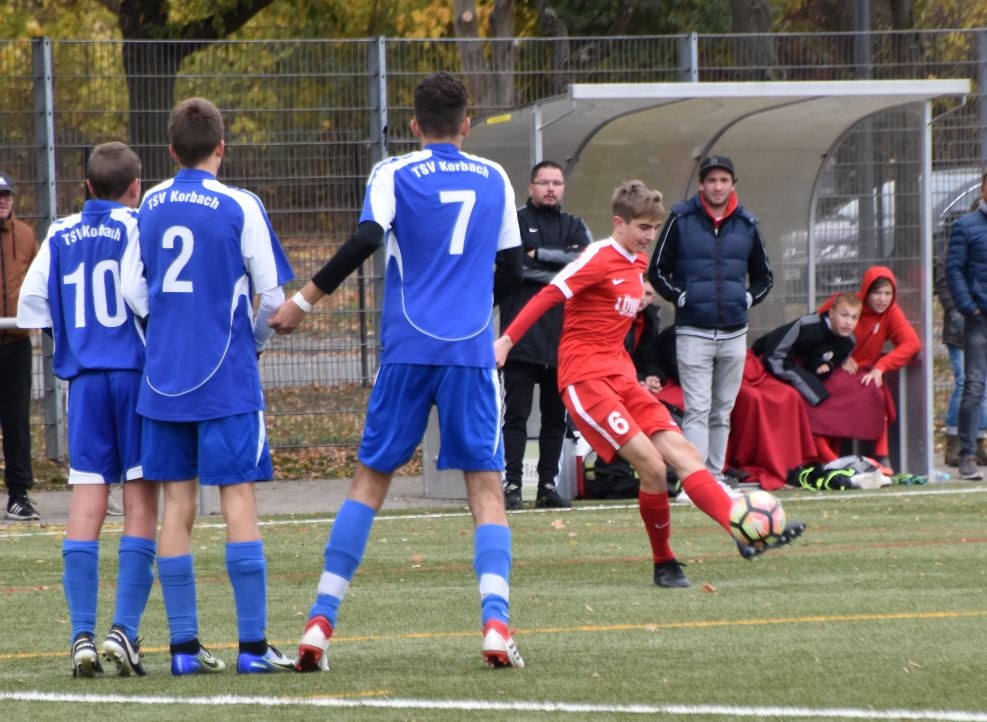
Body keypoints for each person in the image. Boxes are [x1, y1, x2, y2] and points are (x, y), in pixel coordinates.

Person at [268, 72, 526, 670]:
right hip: (467, 351)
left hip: (408, 346)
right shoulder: (494, 176)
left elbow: (366, 238)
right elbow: (513, 270)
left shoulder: (394, 172)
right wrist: (471, 307)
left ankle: (319, 625)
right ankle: (495, 625)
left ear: (414, 125)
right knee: (486, 488)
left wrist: (303, 301)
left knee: (369, 481)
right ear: (466, 124)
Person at [495, 180, 805, 590]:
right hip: (586, 381)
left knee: (685, 454)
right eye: (643, 227)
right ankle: (665, 561)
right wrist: (506, 341)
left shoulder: (638, 264)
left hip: (622, 378)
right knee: (653, 467)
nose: (650, 235)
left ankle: (739, 529)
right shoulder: (597, 258)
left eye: (654, 228)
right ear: (618, 223)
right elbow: (547, 296)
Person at [121, 97, 295, 675]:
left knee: (178, 506)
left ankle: (183, 650)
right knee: (237, 498)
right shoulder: (240, 204)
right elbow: (272, 299)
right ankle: (253, 648)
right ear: (222, 146)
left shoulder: (149, 204)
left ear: (172, 151)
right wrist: (254, 343)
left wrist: (164, 332)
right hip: (226, 377)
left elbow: (132, 289)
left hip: (164, 378)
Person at [16, 142, 159, 677]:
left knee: (86, 500)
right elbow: (144, 298)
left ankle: (81, 635)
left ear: (86, 187)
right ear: (135, 188)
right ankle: (123, 631)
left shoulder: (60, 231)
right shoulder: (137, 225)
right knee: (140, 500)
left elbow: (30, 307)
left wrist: (74, 337)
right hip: (135, 376)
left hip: (85, 384)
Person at [648, 155, 773, 483]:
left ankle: (714, 478)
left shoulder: (747, 224)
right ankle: (695, 480)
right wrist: (680, 296)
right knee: (697, 409)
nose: (717, 186)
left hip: (734, 333)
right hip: (693, 331)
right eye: (712, 180)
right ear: (701, 184)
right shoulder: (680, 219)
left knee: (722, 411)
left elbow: (765, 277)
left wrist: (747, 298)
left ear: (733, 185)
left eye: (723, 180)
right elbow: (657, 270)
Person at [499, 160, 592, 510]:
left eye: (557, 183)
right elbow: (517, 268)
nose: (551, 189)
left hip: (562, 341)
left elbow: (585, 265)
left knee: (555, 419)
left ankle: (547, 487)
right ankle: (511, 486)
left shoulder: (575, 225)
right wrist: (561, 270)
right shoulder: (515, 222)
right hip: (521, 340)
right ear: (531, 187)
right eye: (544, 183)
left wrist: (540, 256)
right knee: (516, 416)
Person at [810, 266, 921, 472]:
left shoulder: (891, 312)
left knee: (875, 391)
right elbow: (813, 329)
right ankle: (828, 458)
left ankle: (882, 456)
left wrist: (882, 366)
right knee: (827, 400)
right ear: (866, 291)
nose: (882, 299)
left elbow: (912, 343)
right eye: (877, 292)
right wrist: (839, 356)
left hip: (862, 373)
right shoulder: (846, 303)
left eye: (888, 293)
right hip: (832, 369)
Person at [0, 171, 40, 521]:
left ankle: (19, 494)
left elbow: (36, 280)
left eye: (7, 195)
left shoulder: (25, 235)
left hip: (15, 342)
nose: (3, 201)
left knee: (17, 422)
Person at [934, 214, 987, 467]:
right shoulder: (962, 236)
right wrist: (961, 310)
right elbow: (946, 279)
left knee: (981, 387)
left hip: (974, 320)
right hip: (962, 325)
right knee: (966, 381)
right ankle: (956, 443)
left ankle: (976, 443)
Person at [946, 169, 987, 480]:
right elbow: (953, 269)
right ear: (984, 189)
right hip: (979, 319)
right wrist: (968, 307)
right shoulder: (965, 225)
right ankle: (967, 455)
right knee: (973, 385)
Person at [752, 292, 862, 407]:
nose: (849, 322)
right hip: (767, 358)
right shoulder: (806, 325)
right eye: (844, 315)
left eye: (854, 317)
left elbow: (830, 360)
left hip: (797, 366)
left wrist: (825, 364)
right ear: (831, 313)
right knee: (789, 395)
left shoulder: (849, 342)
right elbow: (775, 354)